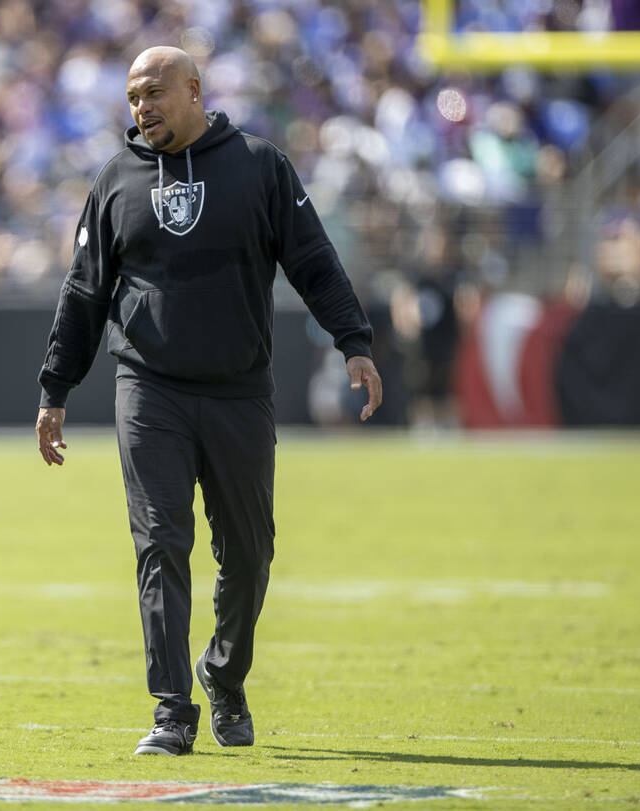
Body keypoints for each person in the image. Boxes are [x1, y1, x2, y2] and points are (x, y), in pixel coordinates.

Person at [34, 47, 382, 756]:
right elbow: (83, 293)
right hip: (148, 389)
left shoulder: (260, 165)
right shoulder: (115, 179)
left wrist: (354, 338)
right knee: (161, 540)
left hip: (238, 391)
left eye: (154, 92)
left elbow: (312, 258)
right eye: (133, 97)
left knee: (250, 551)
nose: (142, 107)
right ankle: (171, 710)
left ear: (194, 90)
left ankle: (224, 674)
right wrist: (55, 389)